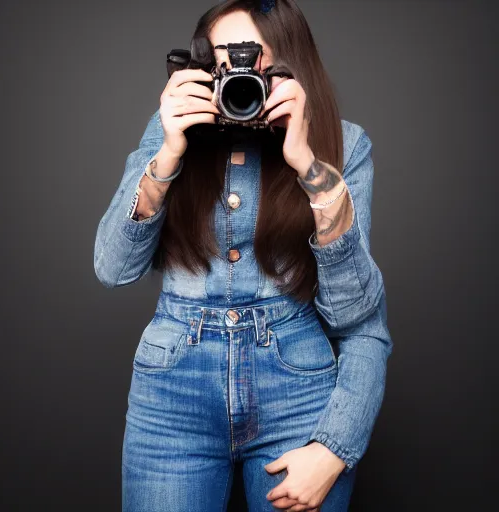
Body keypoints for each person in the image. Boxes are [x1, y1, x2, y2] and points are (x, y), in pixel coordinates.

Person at [93, 1, 393, 510]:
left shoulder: (343, 144)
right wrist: (168, 152)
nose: (237, 77)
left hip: (296, 393)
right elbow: (112, 268)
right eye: (221, 62)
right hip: (172, 396)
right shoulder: (170, 133)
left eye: (253, 62)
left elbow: (355, 314)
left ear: (291, 67)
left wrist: (307, 165)